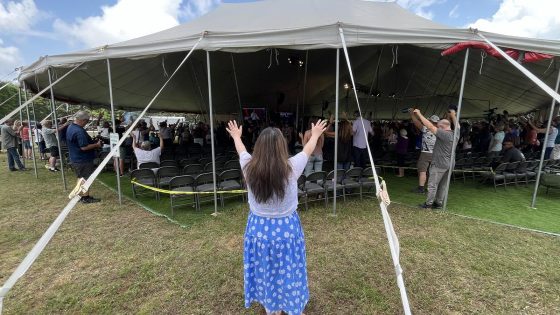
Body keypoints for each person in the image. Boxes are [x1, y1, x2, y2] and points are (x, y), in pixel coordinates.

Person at [226, 119, 327, 315]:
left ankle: (271, 307)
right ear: (282, 147)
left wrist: (236, 136)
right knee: (288, 270)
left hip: (258, 230)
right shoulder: (292, 167)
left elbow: (241, 150)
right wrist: (314, 135)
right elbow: (307, 150)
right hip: (286, 230)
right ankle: (289, 304)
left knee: (265, 269)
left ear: (259, 147)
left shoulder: (248, 167)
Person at [412, 108, 458, 209]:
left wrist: (419, 114)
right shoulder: (456, 133)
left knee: (432, 184)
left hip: (439, 163)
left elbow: (429, 126)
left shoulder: (443, 134)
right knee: (443, 185)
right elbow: (457, 125)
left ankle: (428, 203)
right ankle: (438, 203)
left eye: (439, 127)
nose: (437, 128)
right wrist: (453, 115)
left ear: (442, 127)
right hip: (450, 163)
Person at [66, 111, 103, 203]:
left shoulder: (71, 127)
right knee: (86, 178)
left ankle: (79, 194)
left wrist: (91, 142)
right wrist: (96, 145)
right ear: (83, 120)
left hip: (76, 157)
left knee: (80, 177)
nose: (87, 123)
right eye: (87, 121)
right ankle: (86, 197)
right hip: (82, 159)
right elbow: (83, 147)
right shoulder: (79, 131)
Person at [411, 111, 439, 193]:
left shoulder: (426, 129)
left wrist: (412, 114)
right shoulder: (440, 131)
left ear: (430, 121)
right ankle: (432, 188)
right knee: (433, 172)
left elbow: (416, 123)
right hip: (436, 154)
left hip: (425, 153)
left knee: (422, 171)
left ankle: (421, 188)